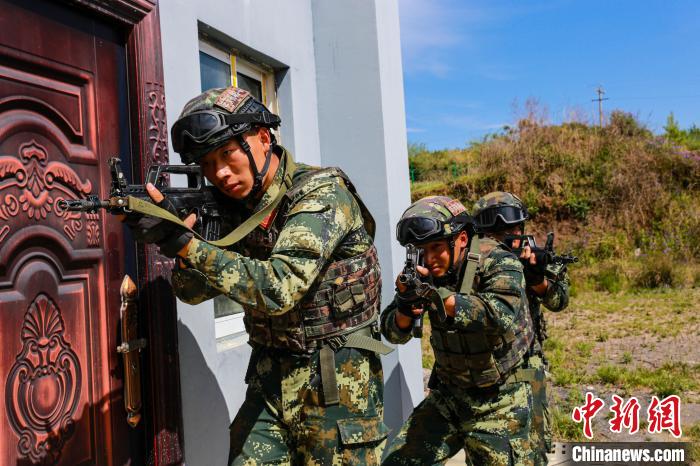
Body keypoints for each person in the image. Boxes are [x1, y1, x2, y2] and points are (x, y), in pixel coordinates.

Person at [125, 86, 390, 464]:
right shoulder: (233, 207)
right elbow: (192, 293)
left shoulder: (321, 193)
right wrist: (181, 241)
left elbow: (279, 288)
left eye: (227, 153)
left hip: (337, 381)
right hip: (270, 377)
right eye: (206, 163)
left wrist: (188, 245)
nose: (219, 173)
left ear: (263, 139)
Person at [380, 196, 540, 465]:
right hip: (450, 397)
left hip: (501, 400)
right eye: (421, 249)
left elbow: (498, 314)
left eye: (436, 247)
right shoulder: (422, 273)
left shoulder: (498, 260)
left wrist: (436, 296)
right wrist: (406, 309)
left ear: (462, 239)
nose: (429, 258)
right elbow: (394, 333)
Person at [472, 191, 570, 459]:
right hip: (481, 365)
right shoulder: (469, 261)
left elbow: (559, 300)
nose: (509, 234)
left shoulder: (533, 254)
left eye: (514, 227)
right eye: (498, 230)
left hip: (527, 361)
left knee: (534, 444)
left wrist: (537, 277)